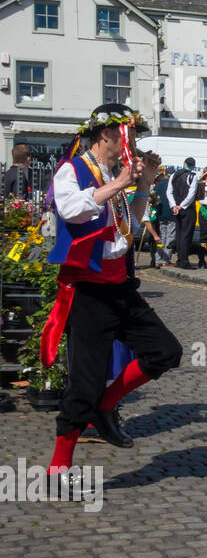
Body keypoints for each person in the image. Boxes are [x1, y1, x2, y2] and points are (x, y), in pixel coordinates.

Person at [42, 105, 183, 479]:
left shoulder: (110, 174)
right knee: (83, 385)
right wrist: (120, 183)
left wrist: (146, 184)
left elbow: (131, 227)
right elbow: (70, 209)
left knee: (166, 351)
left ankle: (107, 405)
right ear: (106, 135)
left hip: (121, 288)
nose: (133, 143)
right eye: (130, 135)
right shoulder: (73, 169)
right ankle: (59, 470)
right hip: (88, 293)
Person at [167, 157, 199, 268]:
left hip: (176, 209)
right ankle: (184, 261)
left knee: (179, 234)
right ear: (193, 166)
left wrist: (173, 205)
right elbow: (191, 194)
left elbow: (169, 192)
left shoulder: (174, 175)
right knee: (186, 235)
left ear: (184, 163)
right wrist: (181, 206)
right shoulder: (193, 176)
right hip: (187, 209)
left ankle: (180, 259)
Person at [151, 167, 174, 265]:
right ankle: (165, 260)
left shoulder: (157, 186)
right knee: (170, 237)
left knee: (161, 237)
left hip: (160, 215)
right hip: (171, 214)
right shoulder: (174, 185)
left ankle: (158, 259)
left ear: (165, 174)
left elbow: (153, 201)